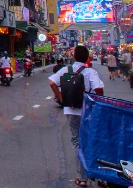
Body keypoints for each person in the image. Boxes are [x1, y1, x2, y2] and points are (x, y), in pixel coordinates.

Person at [48, 45, 104, 187]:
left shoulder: (66, 70)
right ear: (87, 58)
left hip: (71, 111)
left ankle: (82, 177)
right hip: (88, 112)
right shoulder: (90, 72)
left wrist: (62, 99)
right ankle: (93, 173)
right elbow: (98, 89)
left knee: (77, 142)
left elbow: (52, 83)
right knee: (89, 140)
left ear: (73, 56)